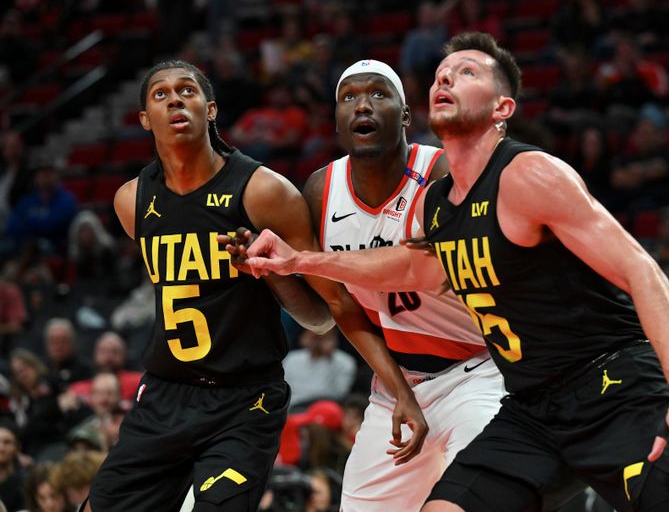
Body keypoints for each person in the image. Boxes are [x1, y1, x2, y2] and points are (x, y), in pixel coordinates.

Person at [245, 32, 669, 511]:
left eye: (467, 72)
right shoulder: (438, 203)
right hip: (531, 407)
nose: (446, 77)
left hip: (610, 388)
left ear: (502, 108)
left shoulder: (530, 174)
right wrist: (299, 261)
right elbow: (413, 268)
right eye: (440, 75)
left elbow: (642, 270)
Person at [87, 60, 426, 512]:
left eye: (187, 90)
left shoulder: (265, 192)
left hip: (243, 400)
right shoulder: (131, 201)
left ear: (210, 110)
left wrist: (273, 274)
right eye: (160, 94)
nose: (174, 100)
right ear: (145, 119)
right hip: (166, 393)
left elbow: (322, 316)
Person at [266, 58, 504, 511]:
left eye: (378, 94)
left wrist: (304, 261)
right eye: (349, 97)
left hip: (477, 370)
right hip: (396, 382)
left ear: (407, 115)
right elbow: (338, 306)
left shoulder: (443, 175)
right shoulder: (320, 190)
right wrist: (399, 392)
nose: (362, 106)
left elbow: (417, 270)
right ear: (336, 120)